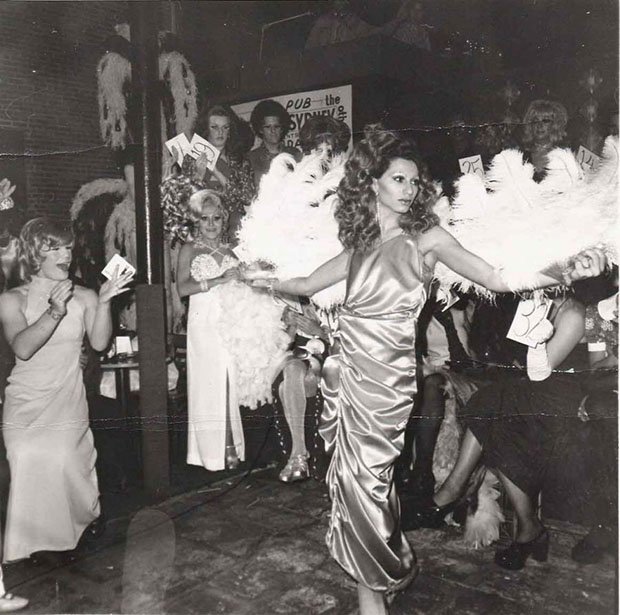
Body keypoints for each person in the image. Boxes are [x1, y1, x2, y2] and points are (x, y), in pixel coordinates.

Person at [247, 125, 605, 613]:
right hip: (348, 375)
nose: (409, 189)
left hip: (387, 384)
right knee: (355, 485)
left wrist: (563, 270)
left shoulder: (427, 239)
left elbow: (498, 277)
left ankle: (374, 586)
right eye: (398, 179)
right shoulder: (361, 242)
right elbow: (308, 280)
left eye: (414, 181)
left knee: (366, 484)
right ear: (372, 182)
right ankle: (378, 577)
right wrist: (254, 274)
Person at [410, 293, 602, 570]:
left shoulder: (573, 313)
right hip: (525, 391)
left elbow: (539, 371)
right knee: (497, 422)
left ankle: (452, 490)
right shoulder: (532, 304)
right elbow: (505, 357)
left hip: (560, 398)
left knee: (489, 402)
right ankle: (529, 528)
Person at [0, 217, 132, 563]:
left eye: (68, 248)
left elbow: (100, 343)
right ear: (34, 254)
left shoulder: (85, 295)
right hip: (27, 400)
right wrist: (54, 312)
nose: (65, 255)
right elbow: (23, 348)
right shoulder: (11, 300)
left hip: (67, 396)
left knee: (67, 462)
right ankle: (34, 542)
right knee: (27, 456)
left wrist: (104, 302)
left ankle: (81, 521)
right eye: (54, 248)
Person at [176, 189, 245, 471]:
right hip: (203, 323)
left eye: (217, 218)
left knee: (230, 382)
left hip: (230, 321)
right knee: (209, 385)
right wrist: (218, 279)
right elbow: (182, 287)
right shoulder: (189, 249)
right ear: (196, 222)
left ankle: (231, 444)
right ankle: (211, 452)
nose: (211, 224)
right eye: (205, 219)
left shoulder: (233, 250)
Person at [180, 105, 255, 245]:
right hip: (203, 228)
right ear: (205, 129)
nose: (220, 132)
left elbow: (248, 197)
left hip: (234, 229)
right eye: (214, 127)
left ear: (230, 131)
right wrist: (199, 177)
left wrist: (217, 172)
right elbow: (186, 201)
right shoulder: (192, 158)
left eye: (225, 127)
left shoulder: (239, 160)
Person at [273, 302, 331, 482]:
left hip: (326, 357)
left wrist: (319, 332)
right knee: (291, 367)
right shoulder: (294, 299)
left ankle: (298, 456)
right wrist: (292, 326)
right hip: (295, 358)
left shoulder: (331, 298)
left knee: (285, 387)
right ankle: (299, 455)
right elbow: (284, 345)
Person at [247, 100, 301, 187]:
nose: (273, 131)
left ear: (282, 128)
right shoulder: (251, 159)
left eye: (276, 126)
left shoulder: (295, 154)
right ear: (260, 130)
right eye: (268, 127)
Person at [521, 99, 568, 180]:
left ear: (555, 125)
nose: (539, 125)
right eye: (535, 121)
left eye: (545, 121)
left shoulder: (569, 152)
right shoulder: (519, 156)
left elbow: (596, 170)